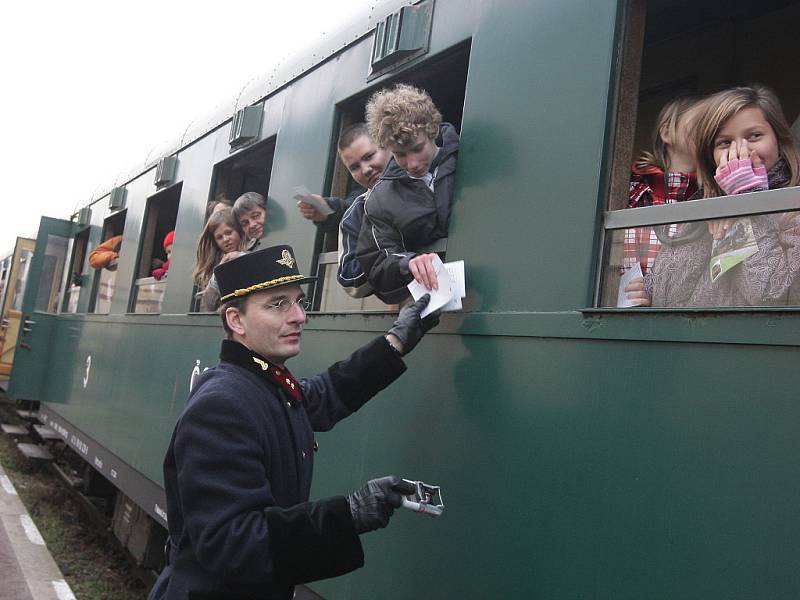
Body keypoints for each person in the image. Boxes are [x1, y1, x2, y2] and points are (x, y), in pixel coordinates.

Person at [147, 244, 439, 600]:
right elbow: (233, 544)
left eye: (298, 301)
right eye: (277, 304)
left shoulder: (260, 384)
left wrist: (397, 340)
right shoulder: (222, 405)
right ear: (236, 320)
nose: (299, 315)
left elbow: (324, 394)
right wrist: (349, 514)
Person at [645, 85, 800, 307]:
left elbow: (774, 299)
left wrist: (750, 206)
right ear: (710, 156)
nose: (741, 151)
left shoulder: (793, 208)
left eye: (755, 136)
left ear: (779, 140)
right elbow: (667, 299)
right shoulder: (702, 208)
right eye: (725, 142)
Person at [356, 84, 460, 303]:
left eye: (417, 148)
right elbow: (376, 262)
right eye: (400, 154)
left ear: (432, 129)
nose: (412, 163)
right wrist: (408, 263)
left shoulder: (473, 156)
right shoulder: (380, 199)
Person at [622, 97, 700, 307]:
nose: (708, 130)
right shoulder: (631, 190)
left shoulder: (711, 196)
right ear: (667, 133)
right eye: (699, 122)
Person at [193, 208, 245, 312]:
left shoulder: (254, 250)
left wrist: (242, 256)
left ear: (239, 230)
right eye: (219, 237)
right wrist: (218, 274)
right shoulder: (212, 268)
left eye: (229, 232)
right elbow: (208, 307)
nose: (226, 239)